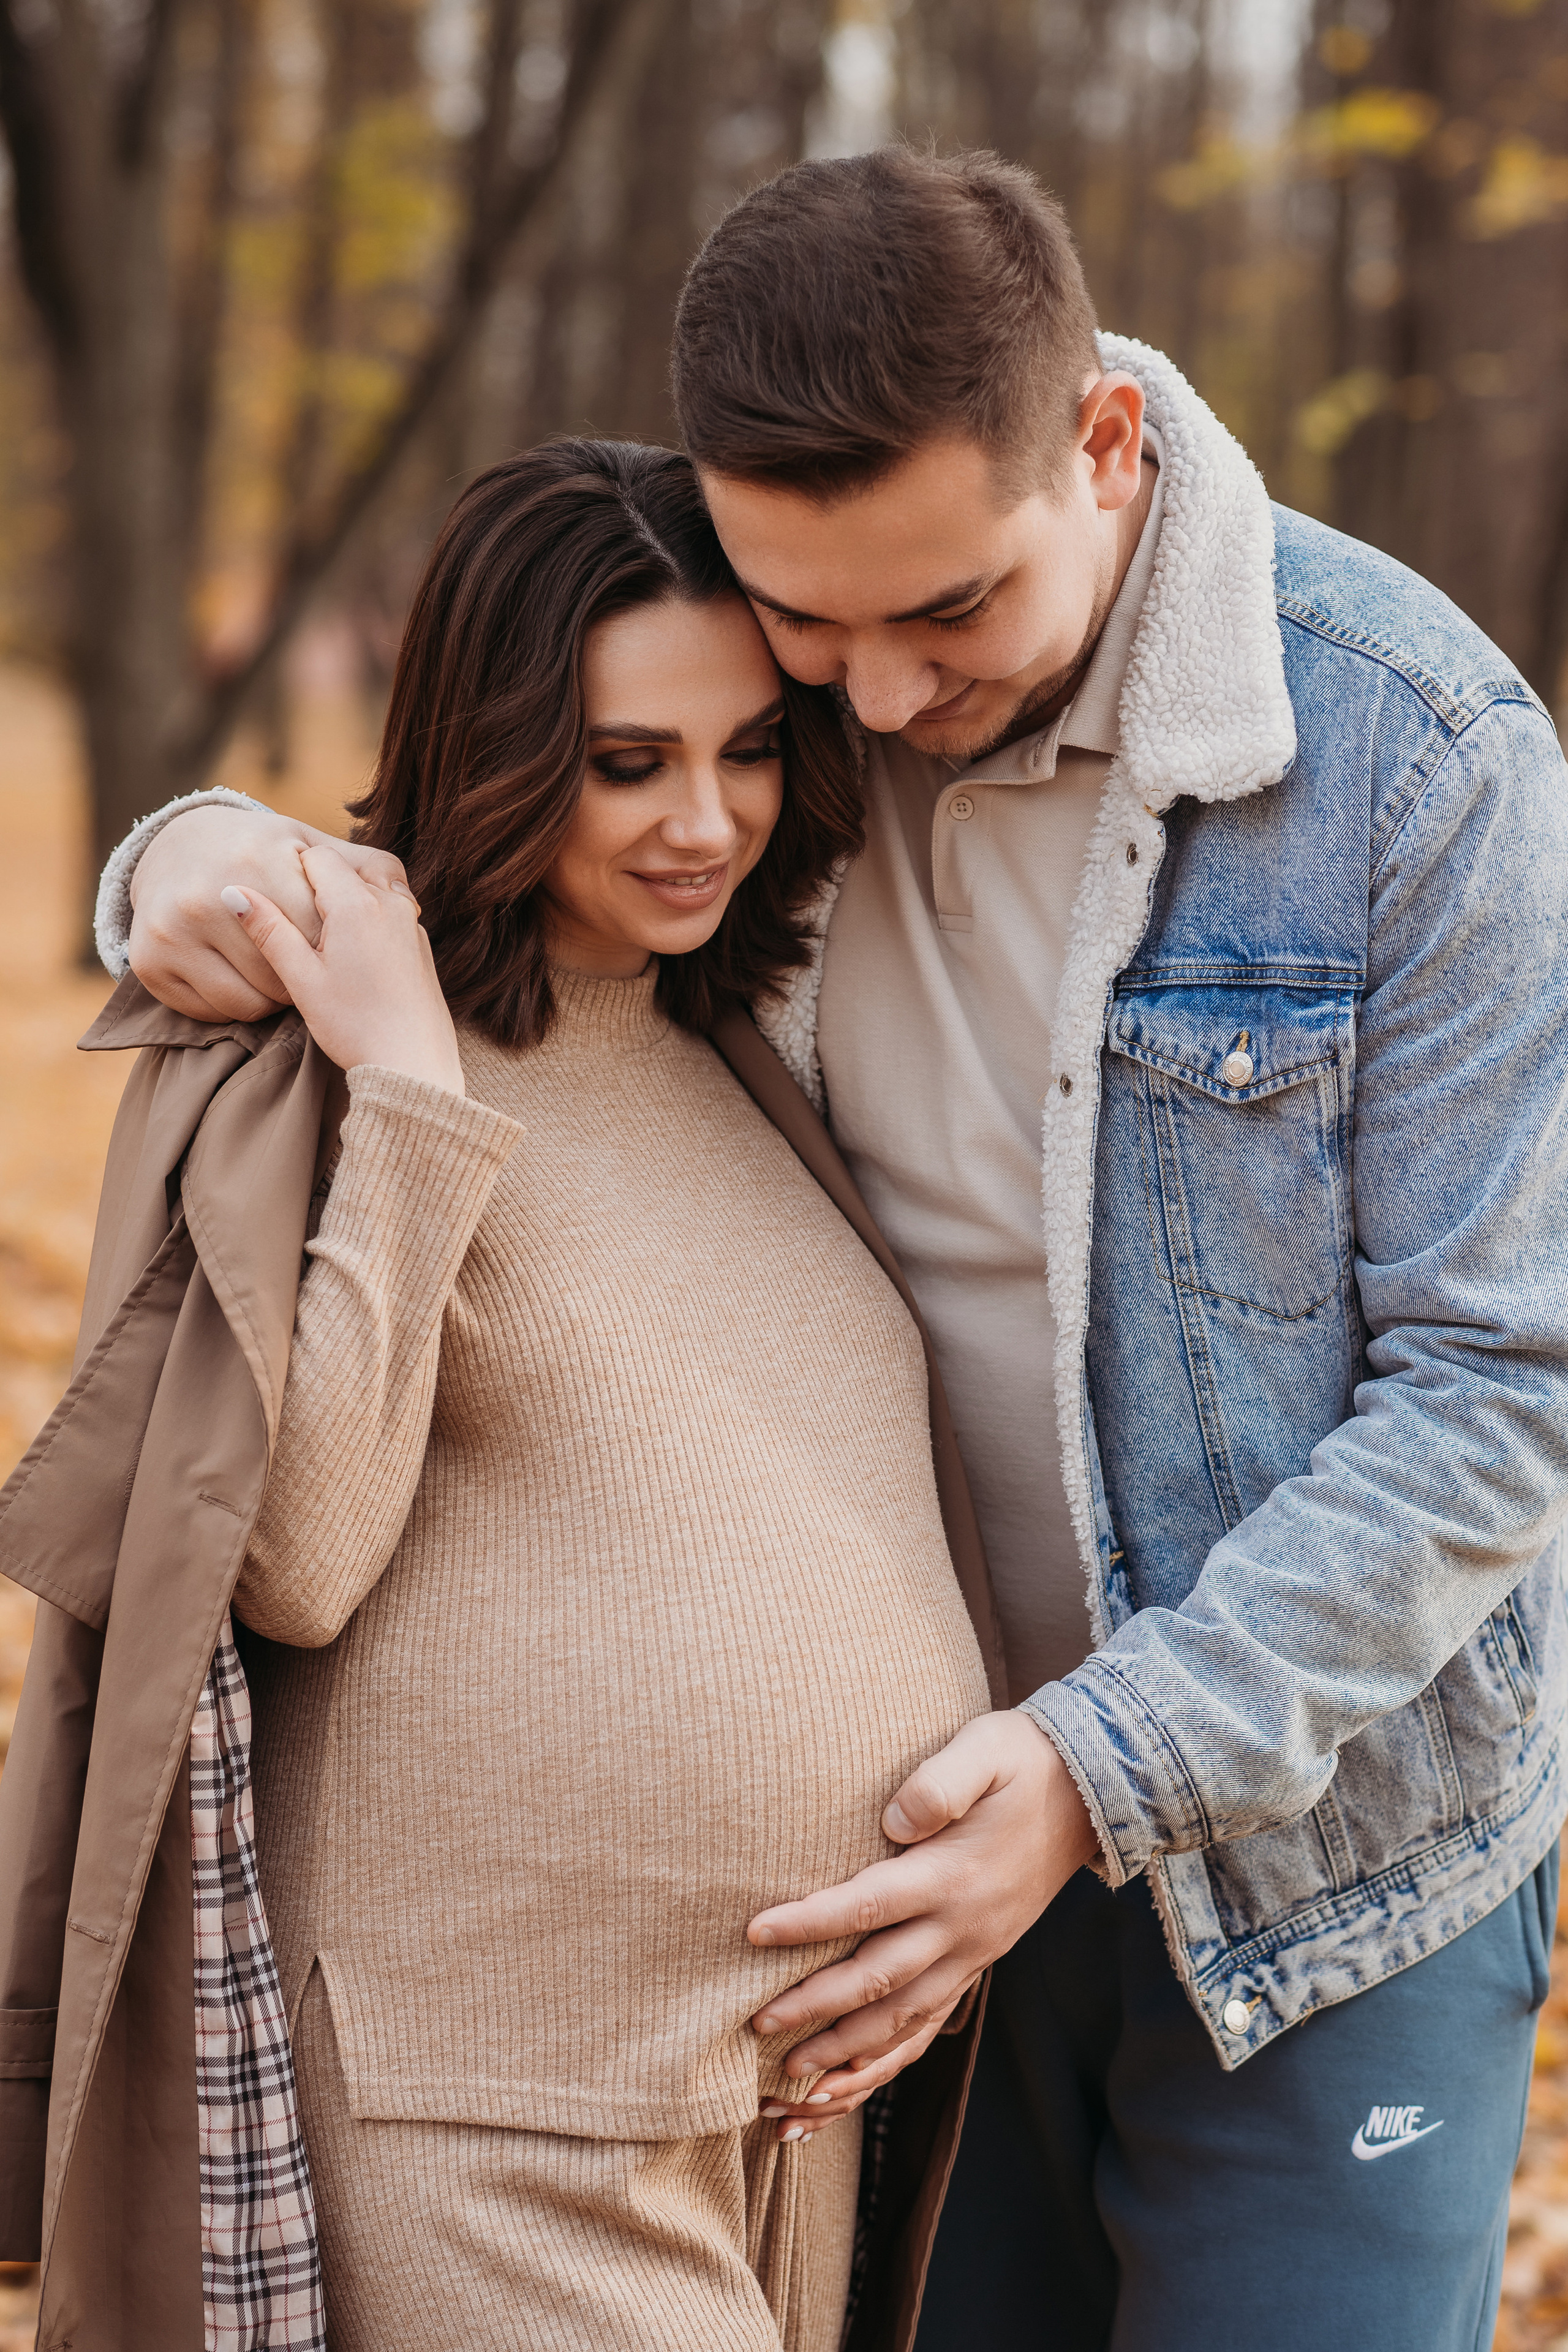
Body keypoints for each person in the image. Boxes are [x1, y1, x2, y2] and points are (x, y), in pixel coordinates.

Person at [102, 148, 1568, 2351]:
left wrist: (1099, 1774)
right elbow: (526, 811)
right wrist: (192, 858)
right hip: (892, 1913)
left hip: (1313, 1863)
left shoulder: (1416, 762)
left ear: (1103, 444)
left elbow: (1502, 1392)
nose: (870, 706)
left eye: (946, 616)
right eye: (813, 636)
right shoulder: (776, 697)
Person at [0, 440, 1003, 2352]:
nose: (702, 819)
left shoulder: (742, 1047)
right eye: (627, 763)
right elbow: (288, 1560)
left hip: (771, 2111)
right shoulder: (325, 1072)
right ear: (498, 745)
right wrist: (409, 1099)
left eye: (749, 749)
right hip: (491, 2110)